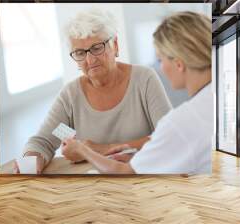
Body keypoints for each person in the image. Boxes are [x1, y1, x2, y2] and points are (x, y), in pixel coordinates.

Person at [15, 9, 172, 174]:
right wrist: (30, 162)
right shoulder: (70, 95)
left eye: (97, 48)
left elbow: (169, 137)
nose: (90, 60)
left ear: (115, 45)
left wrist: (100, 149)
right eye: (80, 53)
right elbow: (42, 142)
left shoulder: (144, 79)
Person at [63, 11, 213, 174]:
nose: (90, 60)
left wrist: (82, 150)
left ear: (178, 64)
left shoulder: (179, 120)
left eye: (160, 59)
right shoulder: (215, 99)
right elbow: (47, 135)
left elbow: (124, 173)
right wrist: (143, 157)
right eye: (80, 53)